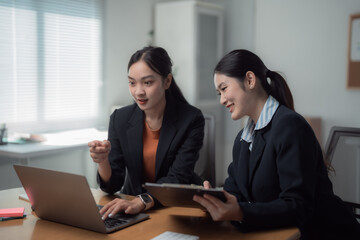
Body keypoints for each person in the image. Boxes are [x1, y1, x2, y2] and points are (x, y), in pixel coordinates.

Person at [193, 49, 360, 239]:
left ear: (249, 80)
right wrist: (216, 199)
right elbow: (235, 193)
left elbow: (298, 206)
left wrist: (240, 212)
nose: (222, 99)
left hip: (321, 234)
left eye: (224, 89)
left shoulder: (290, 127)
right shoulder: (243, 139)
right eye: (218, 93)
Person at [88, 46, 204, 219]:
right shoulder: (120, 118)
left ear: (167, 81)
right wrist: (103, 161)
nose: (138, 91)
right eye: (132, 82)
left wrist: (141, 201)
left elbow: (178, 178)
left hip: (175, 207)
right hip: (131, 205)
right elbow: (112, 186)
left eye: (148, 82)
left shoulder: (191, 119)